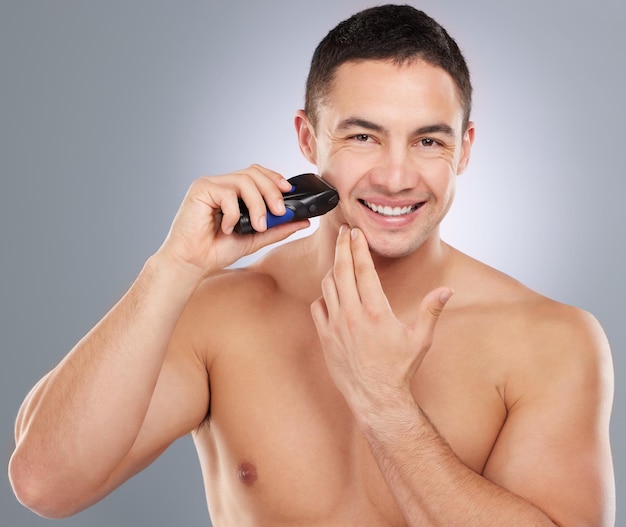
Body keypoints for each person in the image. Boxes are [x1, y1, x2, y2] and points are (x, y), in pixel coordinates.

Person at [8, 4, 615, 526]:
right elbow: (44, 486)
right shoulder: (216, 313)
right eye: (363, 138)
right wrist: (172, 269)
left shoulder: (552, 340)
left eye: (429, 140)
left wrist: (385, 403)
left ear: (465, 150)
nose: (397, 176)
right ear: (307, 139)